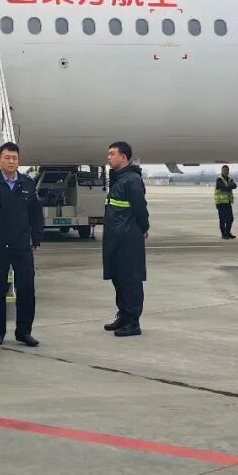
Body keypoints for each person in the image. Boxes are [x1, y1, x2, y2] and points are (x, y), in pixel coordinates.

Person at [0, 142, 44, 346]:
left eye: (14, 158)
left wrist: (36, 237)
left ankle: (24, 331)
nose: (11, 161)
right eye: (7, 157)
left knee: (26, 288)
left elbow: (36, 212)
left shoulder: (27, 183)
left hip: (22, 245)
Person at [102, 141, 149, 337]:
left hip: (128, 238)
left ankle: (133, 322)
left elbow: (140, 208)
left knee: (130, 279)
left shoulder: (132, 180)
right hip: (115, 236)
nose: (108, 157)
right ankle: (123, 316)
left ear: (124, 157)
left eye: (112, 154)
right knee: (118, 278)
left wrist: (144, 228)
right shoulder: (118, 178)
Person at [214, 165, 238, 239]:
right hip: (220, 203)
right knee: (223, 219)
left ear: (228, 171)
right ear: (221, 171)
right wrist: (230, 186)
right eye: (224, 170)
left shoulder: (229, 179)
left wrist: (229, 186)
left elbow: (235, 186)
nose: (225, 171)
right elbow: (224, 188)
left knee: (230, 219)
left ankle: (227, 233)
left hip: (227, 202)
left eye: (227, 170)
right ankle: (223, 234)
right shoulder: (219, 179)